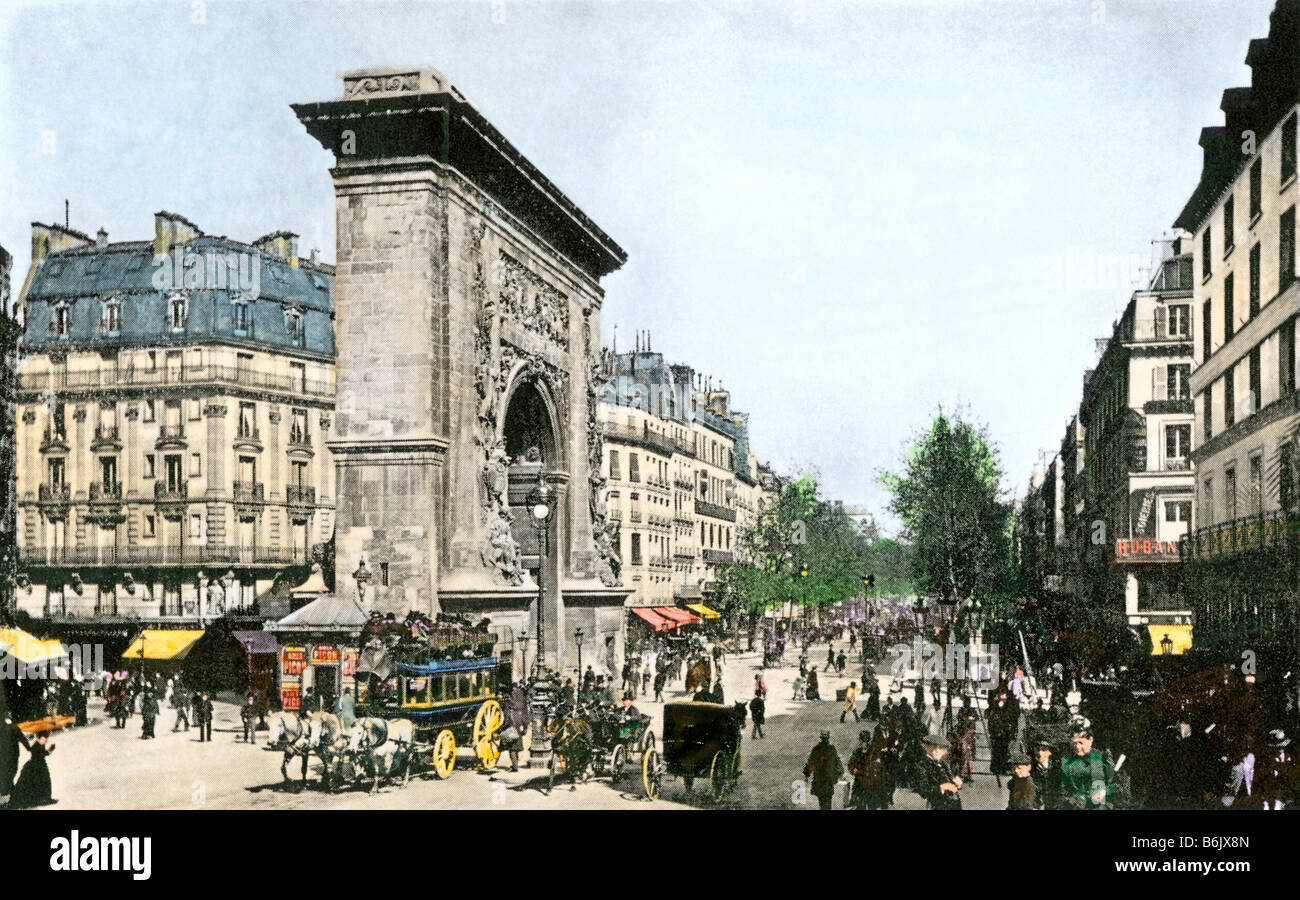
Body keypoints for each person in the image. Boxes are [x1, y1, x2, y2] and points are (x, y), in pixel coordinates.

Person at [1058, 727, 1116, 809]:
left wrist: (1103, 792)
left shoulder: (1102, 758)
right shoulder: (1067, 763)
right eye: (1074, 743)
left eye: (1081, 743)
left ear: (1090, 740)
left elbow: (1117, 785)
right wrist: (1075, 798)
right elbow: (1064, 790)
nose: (1077, 747)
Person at [8, 732, 55, 809]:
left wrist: (49, 750)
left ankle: (44, 798)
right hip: (35, 767)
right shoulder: (36, 745)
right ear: (39, 738)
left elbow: (43, 753)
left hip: (40, 766)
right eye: (44, 739)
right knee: (37, 782)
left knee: (45, 782)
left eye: (46, 739)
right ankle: (38, 799)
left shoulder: (40, 744)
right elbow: (38, 754)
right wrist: (49, 751)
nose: (46, 740)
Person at [915, 733, 962, 810]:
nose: (937, 751)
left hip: (952, 803)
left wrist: (957, 784)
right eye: (934, 748)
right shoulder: (923, 765)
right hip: (936, 804)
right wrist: (941, 787)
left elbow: (950, 780)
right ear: (927, 748)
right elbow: (923, 789)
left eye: (941, 749)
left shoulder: (944, 764)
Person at [803, 729, 844, 810]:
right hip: (828, 780)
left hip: (820, 781)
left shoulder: (816, 749)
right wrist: (840, 773)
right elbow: (837, 762)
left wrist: (807, 775)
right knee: (827, 801)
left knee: (822, 801)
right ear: (828, 738)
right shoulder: (831, 749)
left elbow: (810, 763)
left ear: (821, 738)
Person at [500, 682, 529, 772]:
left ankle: (515, 766)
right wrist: (525, 728)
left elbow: (506, 718)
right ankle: (515, 765)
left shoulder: (509, 705)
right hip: (519, 726)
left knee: (512, 748)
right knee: (516, 746)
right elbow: (525, 717)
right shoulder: (521, 705)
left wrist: (501, 728)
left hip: (511, 727)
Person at [847, 729, 874, 810]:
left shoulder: (874, 752)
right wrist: (853, 769)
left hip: (871, 783)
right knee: (859, 806)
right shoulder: (857, 752)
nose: (862, 743)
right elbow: (850, 764)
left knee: (871, 805)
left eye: (864, 741)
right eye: (861, 741)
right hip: (859, 783)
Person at [1031, 741, 1058, 809]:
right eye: (1037, 750)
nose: (1039, 753)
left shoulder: (1056, 769)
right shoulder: (1030, 769)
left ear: (1049, 753)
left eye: (1043, 750)